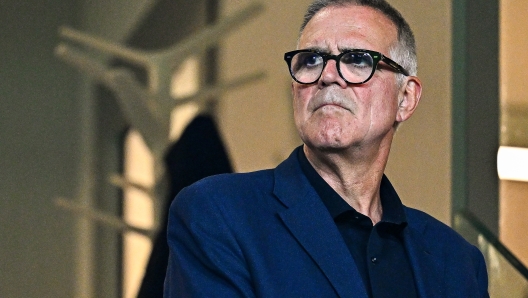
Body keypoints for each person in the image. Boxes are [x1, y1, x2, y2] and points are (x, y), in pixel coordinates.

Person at [164, 0, 489, 297]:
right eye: (311, 60)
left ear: (405, 99)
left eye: (358, 59)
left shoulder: (457, 261)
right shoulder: (219, 214)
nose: (327, 76)